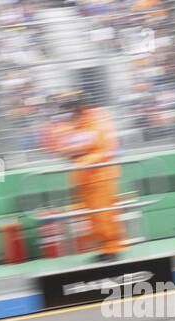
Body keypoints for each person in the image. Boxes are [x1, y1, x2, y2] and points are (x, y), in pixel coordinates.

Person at [54, 91, 124, 262]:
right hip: (83, 177)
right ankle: (103, 248)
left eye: (71, 109)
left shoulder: (99, 122)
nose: (68, 114)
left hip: (101, 176)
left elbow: (105, 149)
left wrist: (83, 158)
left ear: (80, 108)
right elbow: (64, 148)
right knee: (91, 216)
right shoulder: (71, 126)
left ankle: (112, 248)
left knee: (103, 214)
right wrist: (77, 154)